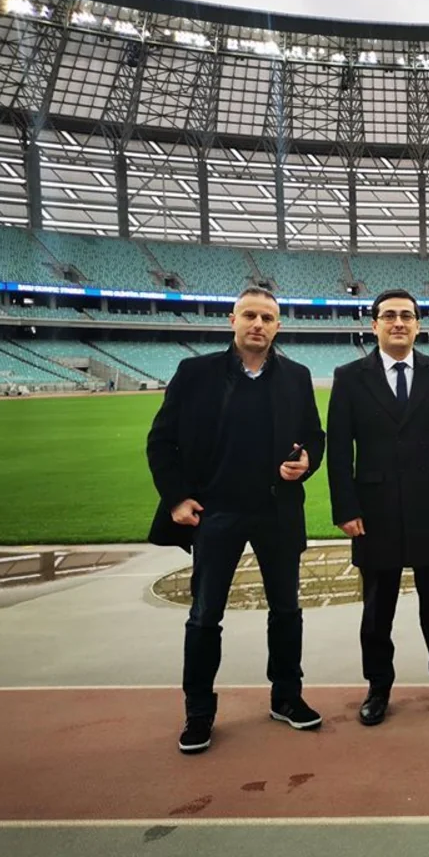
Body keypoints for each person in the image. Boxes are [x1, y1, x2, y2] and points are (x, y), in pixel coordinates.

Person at [146, 286, 326, 755]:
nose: (258, 325)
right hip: (216, 512)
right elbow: (161, 442)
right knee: (205, 616)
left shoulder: (296, 376)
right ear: (232, 320)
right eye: (250, 315)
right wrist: (177, 499)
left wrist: (306, 460)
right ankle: (199, 712)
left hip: (277, 510)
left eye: (267, 318)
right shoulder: (196, 372)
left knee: (287, 611)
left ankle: (286, 697)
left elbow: (314, 436)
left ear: (278, 326)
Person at [326, 288, 429, 726]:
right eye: (389, 316)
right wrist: (345, 508)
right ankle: (378, 687)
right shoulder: (350, 376)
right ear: (374, 325)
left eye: (407, 316)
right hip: (374, 512)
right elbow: (338, 450)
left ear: (418, 324)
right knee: (377, 611)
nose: (398, 323)